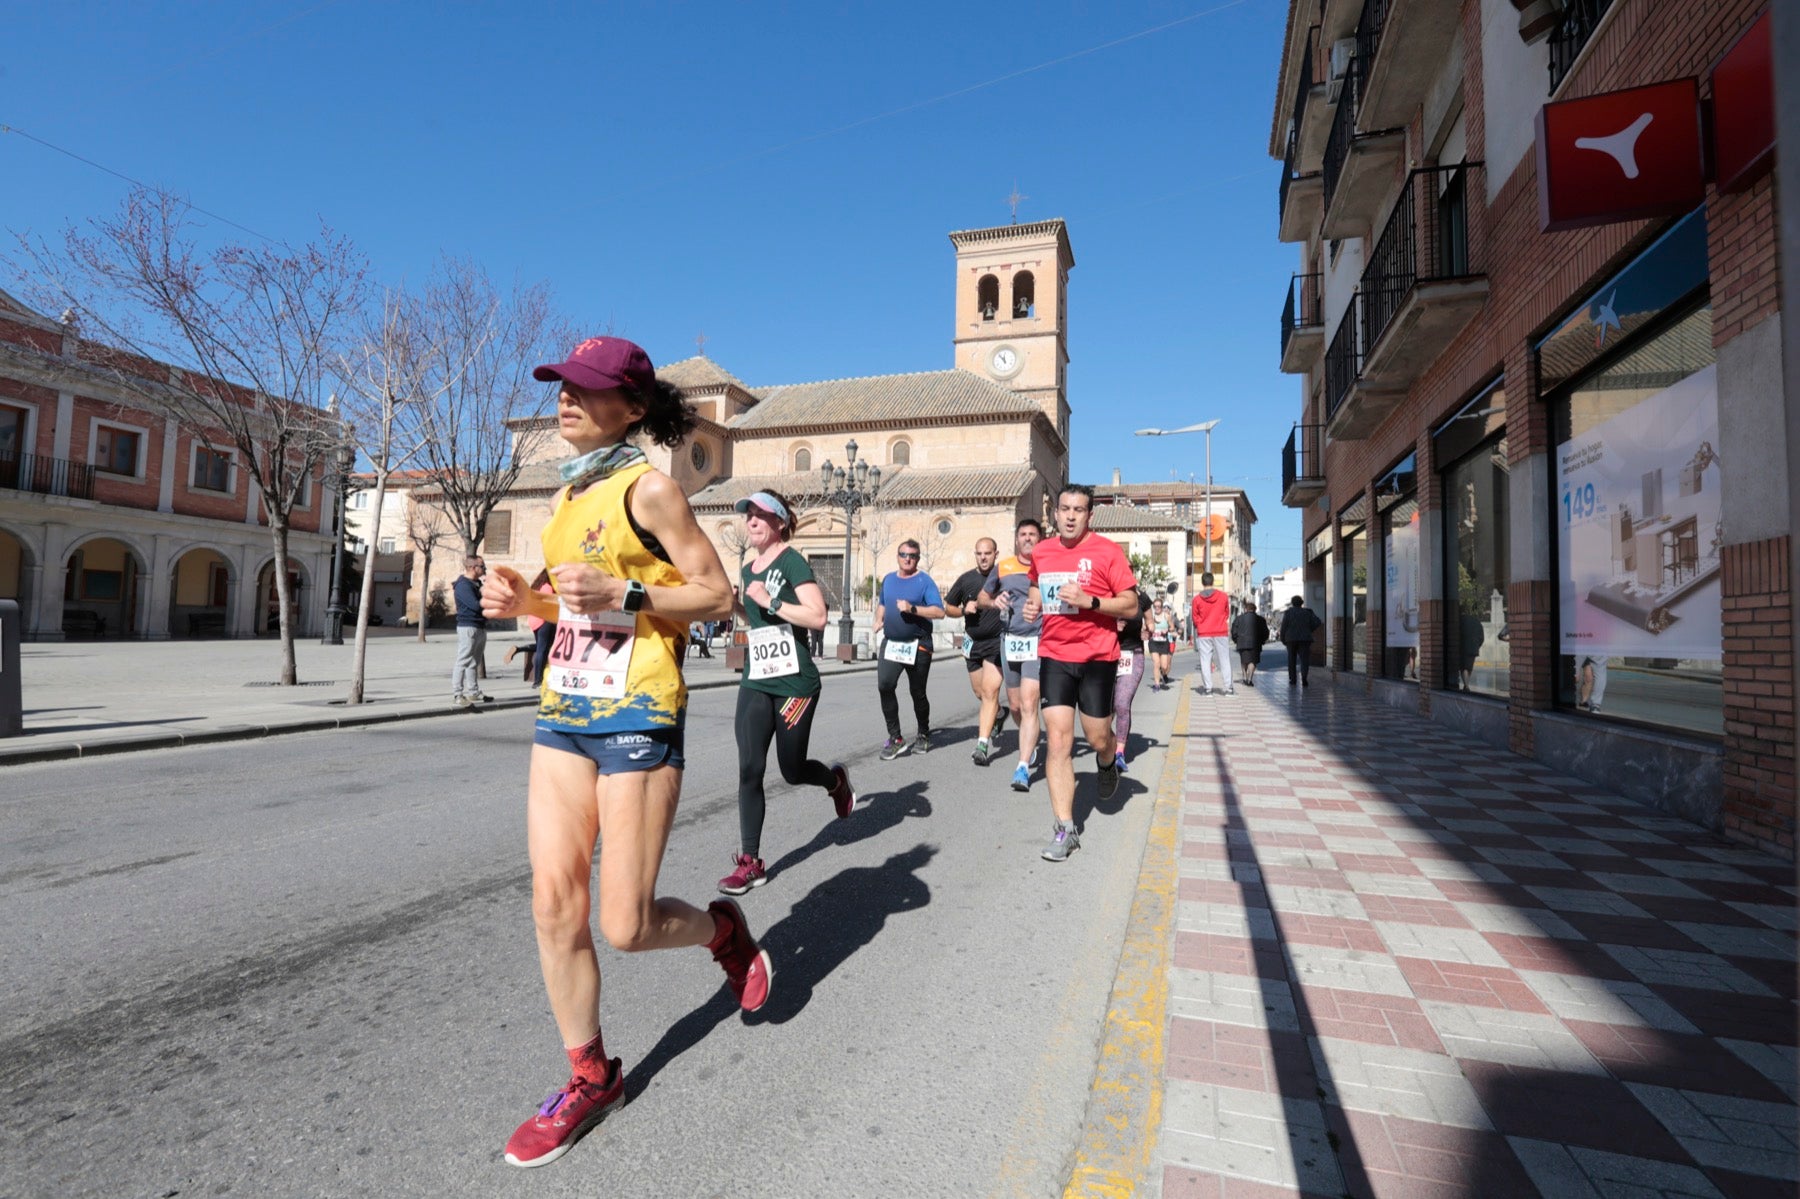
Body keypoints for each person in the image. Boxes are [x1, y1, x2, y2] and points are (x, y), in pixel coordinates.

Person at [480, 335, 770, 1169]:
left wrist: (629, 590)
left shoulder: (651, 490)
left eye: (586, 388)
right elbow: (569, 611)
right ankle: (591, 1074)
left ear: (633, 407)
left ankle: (721, 929)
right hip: (566, 709)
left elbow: (718, 596)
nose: (565, 398)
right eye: (561, 385)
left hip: (640, 710)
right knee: (553, 904)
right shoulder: (568, 499)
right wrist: (522, 601)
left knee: (626, 923)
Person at [718, 489, 857, 895]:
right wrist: (737, 606)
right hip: (758, 677)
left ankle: (835, 782)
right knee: (749, 769)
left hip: (796, 684)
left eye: (761, 514)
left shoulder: (792, 561)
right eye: (748, 514)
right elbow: (757, 618)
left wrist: (772, 599)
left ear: (780, 522)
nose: (752, 521)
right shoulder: (748, 567)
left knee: (792, 770)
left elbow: (818, 616)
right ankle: (750, 862)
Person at [1022, 484, 1138, 862]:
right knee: (1058, 742)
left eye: (1079, 510)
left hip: (1098, 657)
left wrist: (1091, 601)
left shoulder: (1108, 552)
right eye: (1065, 509)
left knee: (1098, 735)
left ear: (1091, 515)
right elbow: (1037, 586)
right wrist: (1032, 605)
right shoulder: (1042, 551)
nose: (1071, 516)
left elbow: (1131, 604)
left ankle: (1106, 762)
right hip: (1055, 654)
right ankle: (1064, 829)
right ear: (1055, 513)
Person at [980, 518, 1045, 791]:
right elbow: (983, 597)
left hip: (1038, 639)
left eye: (1032, 534)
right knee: (1016, 706)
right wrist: (994, 602)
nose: (1028, 538)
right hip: (1010, 641)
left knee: (1030, 704)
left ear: (1039, 539)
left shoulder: (1048, 565)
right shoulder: (1003, 566)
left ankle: (1022, 766)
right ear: (1016, 539)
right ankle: (1029, 737)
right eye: (1023, 534)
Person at [875, 539, 945, 759]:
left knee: (917, 692)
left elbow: (939, 612)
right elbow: (883, 603)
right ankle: (895, 738)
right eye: (904, 554)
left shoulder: (925, 582)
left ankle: (923, 733)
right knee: (885, 685)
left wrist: (912, 608)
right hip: (892, 643)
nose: (908, 559)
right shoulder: (888, 580)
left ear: (918, 558)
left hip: (919, 644)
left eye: (912, 556)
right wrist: (878, 620)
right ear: (898, 556)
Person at [945, 536, 1009, 766]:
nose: (983, 557)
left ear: (995, 554)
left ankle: (982, 746)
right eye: (979, 553)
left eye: (988, 553)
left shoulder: (1003, 577)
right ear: (976, 555)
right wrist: (963, 609)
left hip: (996, 642)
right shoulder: (966, 580)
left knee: (990, 692)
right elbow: (948, 607)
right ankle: (1000, 714)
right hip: (973, 643)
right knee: (979, 692)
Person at [1111, 586, 1151, 773]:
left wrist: (1148, 631)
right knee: (1105, 710)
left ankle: (1119, 752)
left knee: (1122, 702)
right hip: (1106, 654)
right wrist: (1112, 626)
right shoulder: (1106, 594)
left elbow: (1150, 622)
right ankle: (1106, 744)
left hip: (1132, 654)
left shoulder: (1141, 598)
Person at [451, 555, 490, 707]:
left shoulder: (476, 583)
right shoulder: (463, 585)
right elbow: (475, 605)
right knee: (463, 660)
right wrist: (485, 591)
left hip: (479, 626)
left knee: (475, 661)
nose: (485, 570)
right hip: (468, 626)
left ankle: (473, 691)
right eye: (483, 567)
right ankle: (457, 694)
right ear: (473, 568)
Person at [1189, 572, 1232, 696]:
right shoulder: (1223, 596)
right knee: (1224, 660)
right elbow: (1226, 613)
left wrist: (1201, 625)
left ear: (1202, 583)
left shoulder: (1196, 600)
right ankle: (1228, 688)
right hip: (1220, 631)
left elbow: (1195, 617)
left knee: (1205, 660)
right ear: (1212, 582)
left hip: (1204, 633)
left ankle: (1208, 689)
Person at [1278, 595, 1323, 687]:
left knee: (1291, 659)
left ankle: (1293, 679)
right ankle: (1304, 678)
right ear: (1301, 603)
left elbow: (1284, 627)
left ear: (1292, 603)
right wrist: (1310, 629)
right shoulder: (1308, 612)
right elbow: (1318, 622)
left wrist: (1282, 638)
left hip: (1291, 639)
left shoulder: (1288, 613)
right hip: (1305, 639)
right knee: (1304, 659)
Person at [1231, 600, 1270, 688]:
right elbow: (1266, 632)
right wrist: (1263, 641)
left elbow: (1234, 631)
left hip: (1242, 642)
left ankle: (1244, 677)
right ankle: (1250, 679)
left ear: (1245, 609)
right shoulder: (1261, 619)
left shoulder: (1238, 618)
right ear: (1255, 610)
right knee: (1252, 660)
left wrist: (1236, 640)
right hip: (1256, 643)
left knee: (1244, 660)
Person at [1146, 595, 1178, 689]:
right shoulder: (1151, 617)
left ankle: (1163, 674)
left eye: (1158, 606)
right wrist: (1148, 629)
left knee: (1164, 666)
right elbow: (1145, 627)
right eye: (1155, 606)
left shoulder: (1166, 616)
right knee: (1156, 663)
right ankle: (1157, 684)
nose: (1156, 608)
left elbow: (1172, 627)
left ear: (1161, 606)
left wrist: (1167, 630)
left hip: (1164, 643)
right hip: (1153, 643)